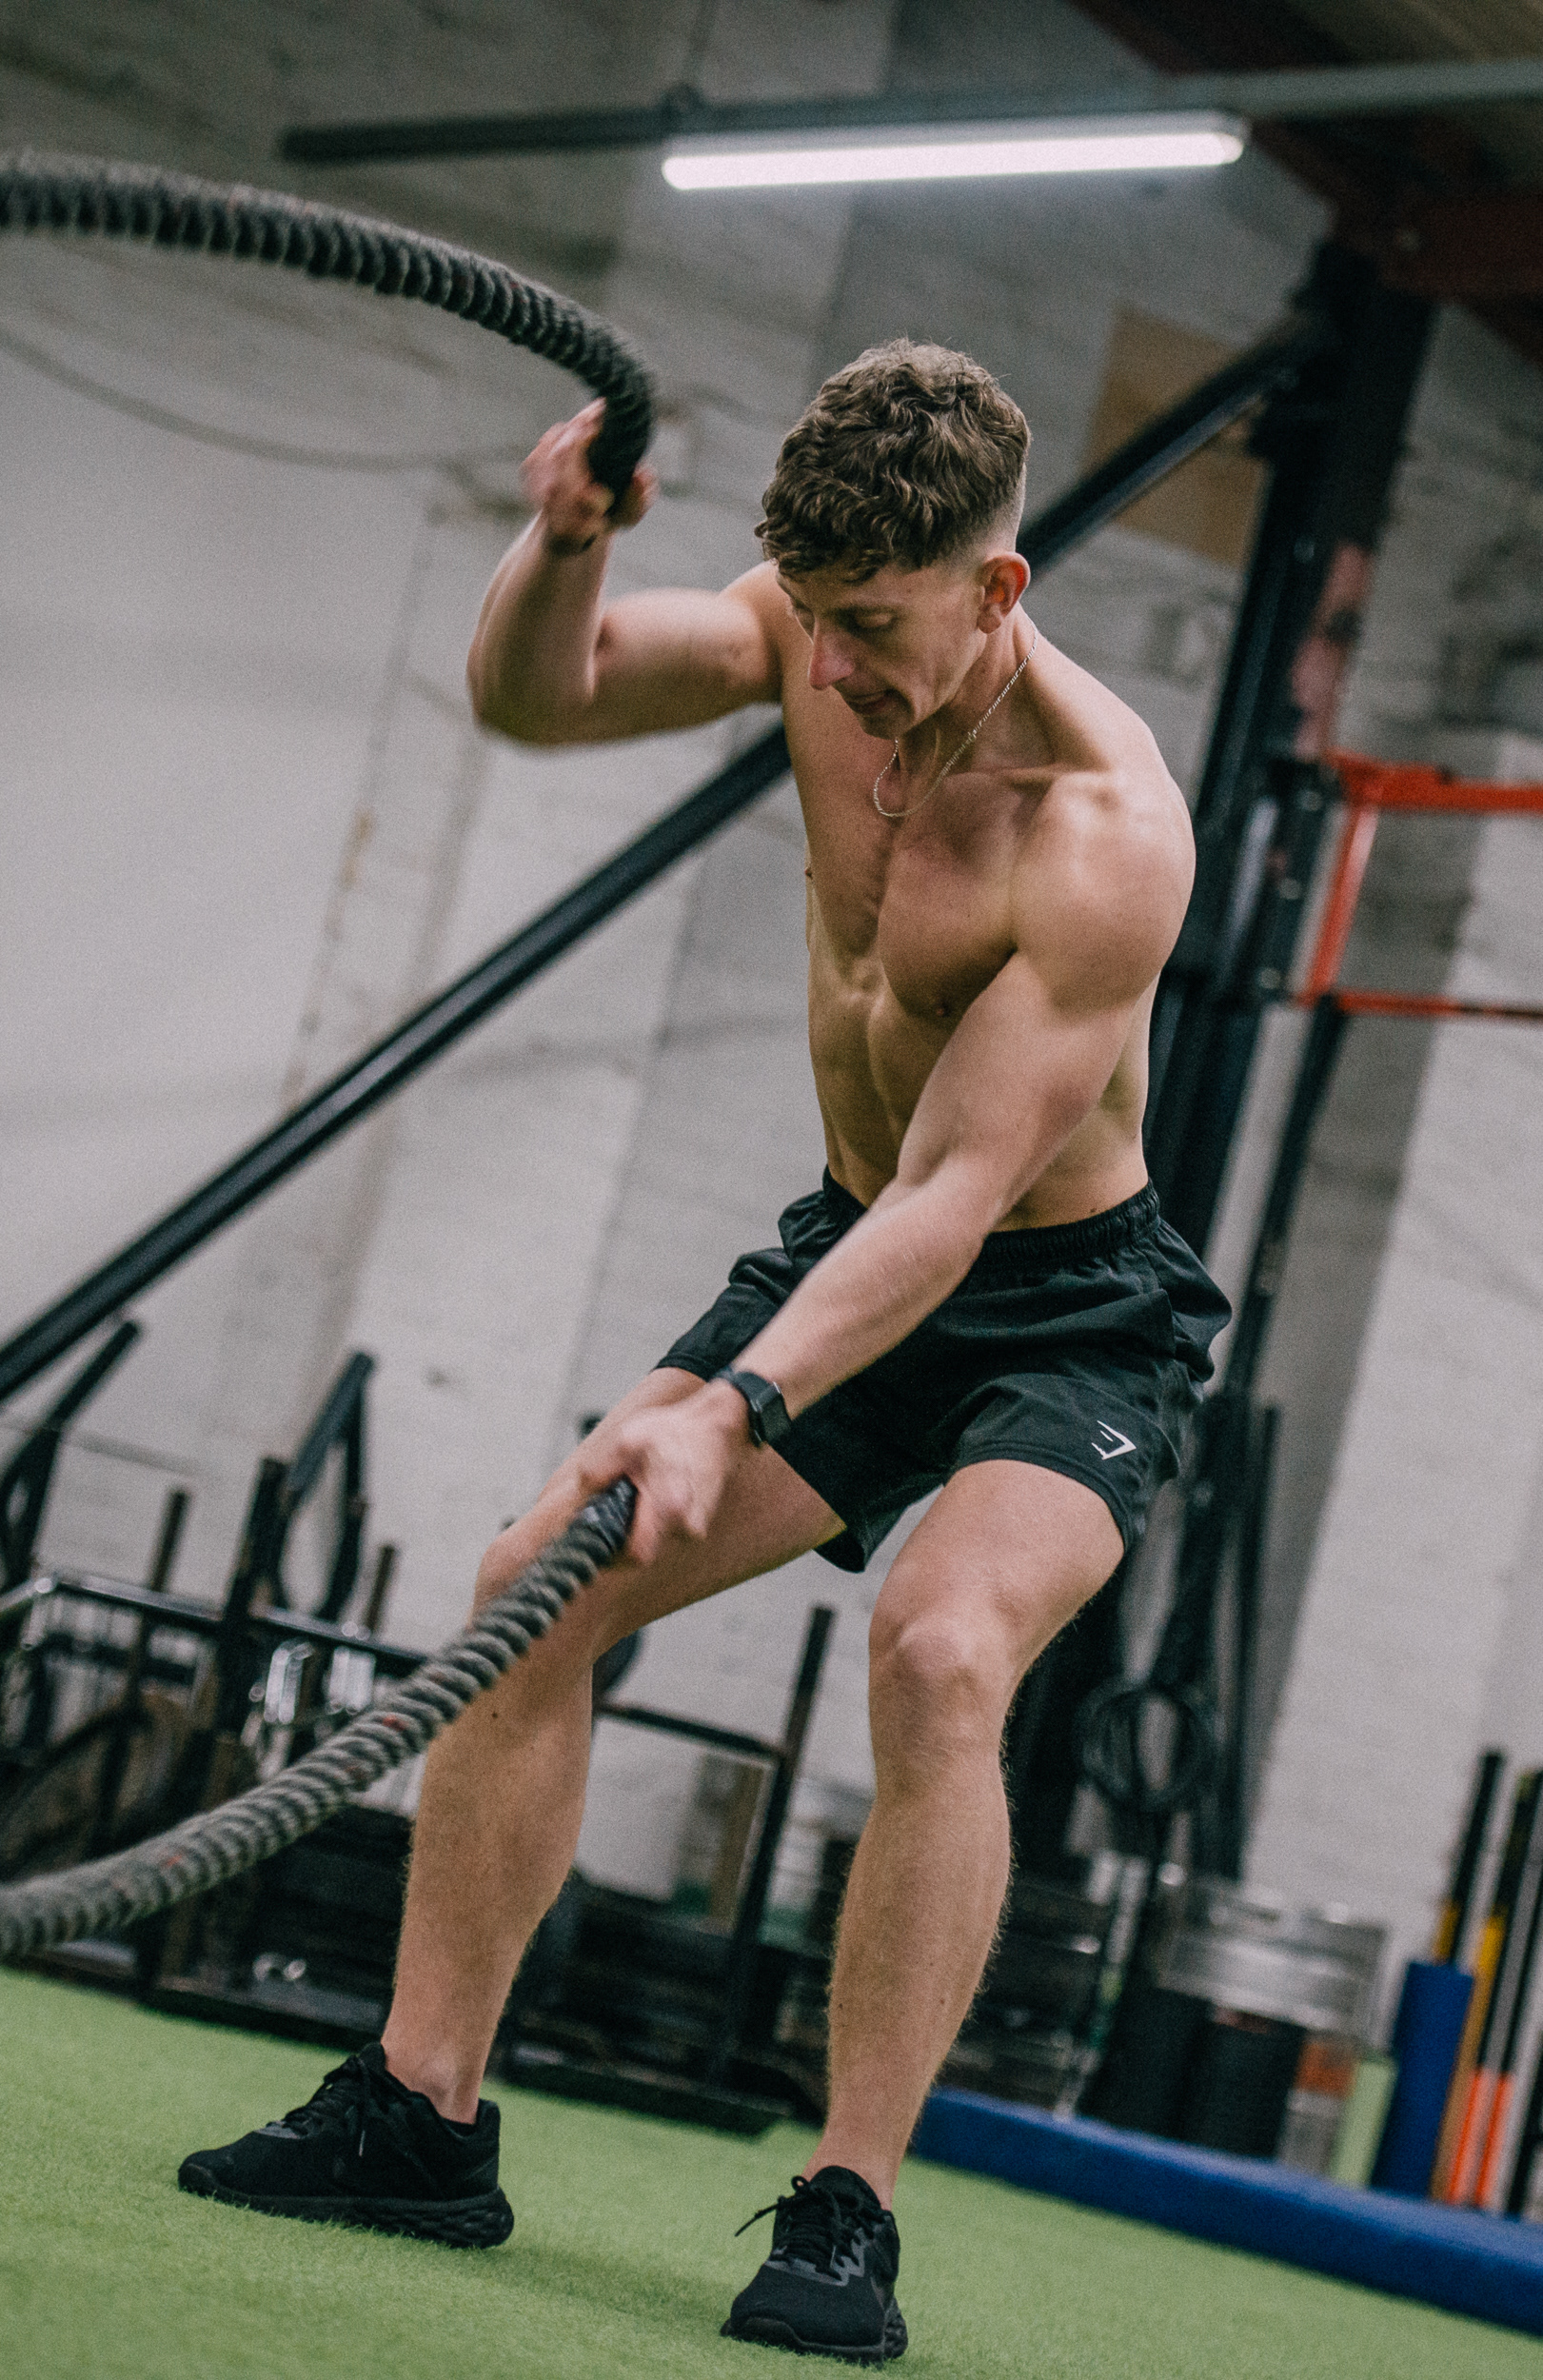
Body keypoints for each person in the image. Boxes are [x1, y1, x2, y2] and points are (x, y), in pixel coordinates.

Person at [180, 341, 1229, 2365]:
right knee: (536, 1582)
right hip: (852, 1238)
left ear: (996, 590)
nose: (828, 668)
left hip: (1062, 1300)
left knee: (939, 1651)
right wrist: (564, 546)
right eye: (808, 616)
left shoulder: (1103, 827)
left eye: (872, 627)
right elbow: (538, 694)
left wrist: (733, 1402)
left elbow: (960, 1195)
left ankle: (847, 2208)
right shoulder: (808, 636)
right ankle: (420, 2115)